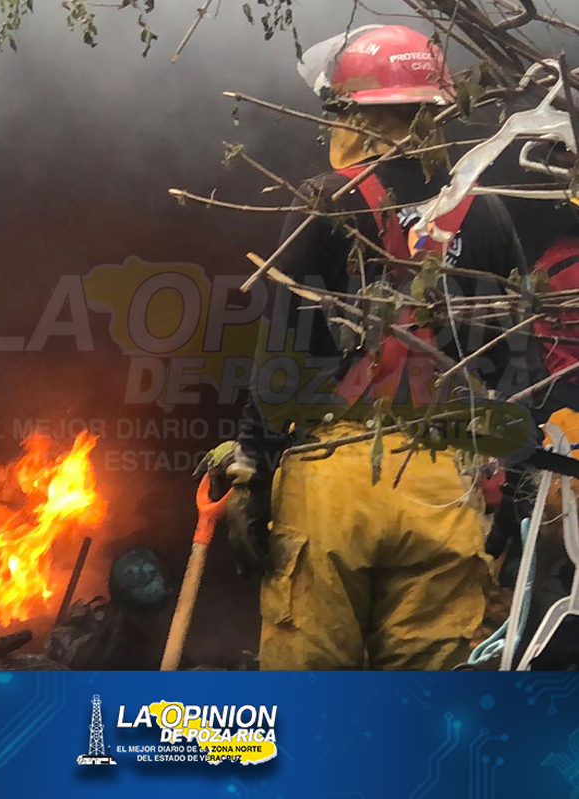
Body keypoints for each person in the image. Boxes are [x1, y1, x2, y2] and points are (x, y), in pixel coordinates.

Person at [206, 24, 533, 670]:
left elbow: (284, 354)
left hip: (333, 487)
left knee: (310, 709)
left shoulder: (326, 203)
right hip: (445, 490)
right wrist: (514, 492)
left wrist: (256, 472)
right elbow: (515, 367)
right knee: (425, 716)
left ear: (356, 113)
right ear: (434, 112)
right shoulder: (488, 212)